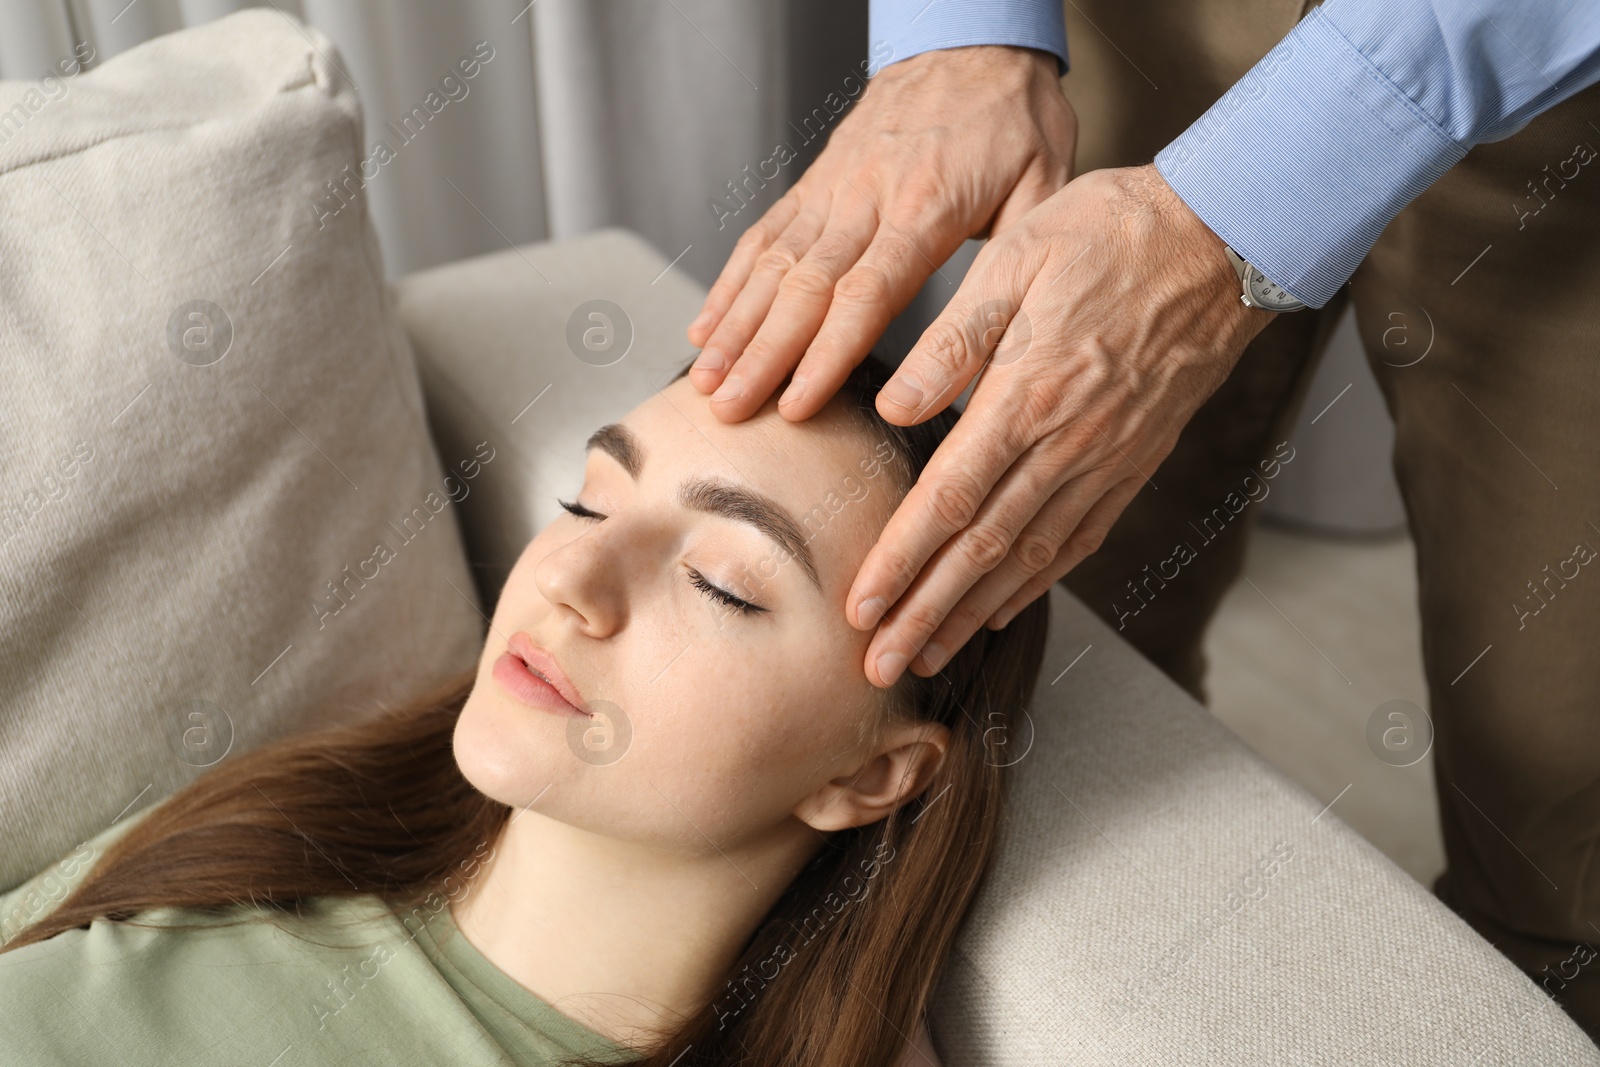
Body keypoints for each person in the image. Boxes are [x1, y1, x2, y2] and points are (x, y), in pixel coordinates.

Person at [682, 0, 1600, 1042]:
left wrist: (1227, 212)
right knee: (1054, 663)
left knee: (1564, 803)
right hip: (1145, 29)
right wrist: (958, 31)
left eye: (724, 581)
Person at [0, 351, 1049, 1067]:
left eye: (721, 581)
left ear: (867, 774)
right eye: (589, 501)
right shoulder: (263, 831)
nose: (571, 575)